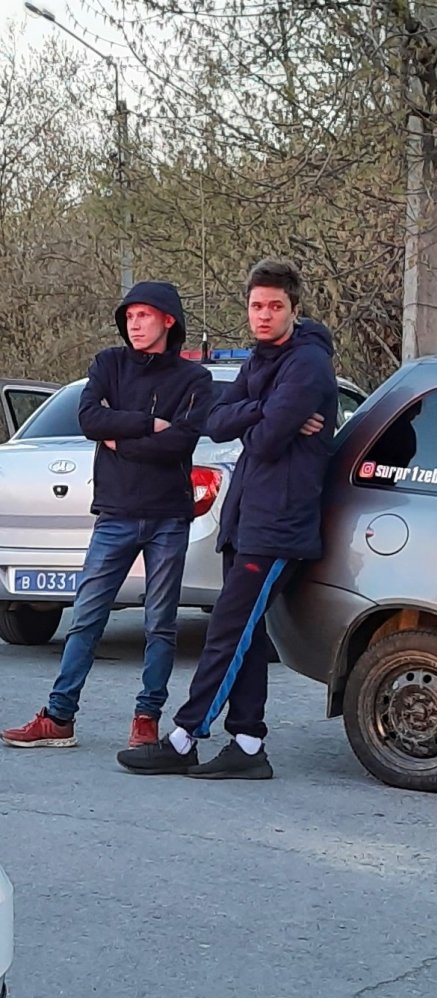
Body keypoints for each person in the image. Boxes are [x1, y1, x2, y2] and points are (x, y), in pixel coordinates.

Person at [117, 259, 337, 781]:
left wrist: (255, 416)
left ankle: (184, 735)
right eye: (256, 306)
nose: (263, 315)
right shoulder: (262, 361)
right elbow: (216, 423)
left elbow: (260, 439)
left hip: (279, 522)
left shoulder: (306, 365)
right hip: (246, 515)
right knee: (247, 635)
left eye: (275, 307)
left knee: (228, 629)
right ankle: (247, 742)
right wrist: (264, 408)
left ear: (294, 310)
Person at [2, 283, 213, 751]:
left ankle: (146, 718)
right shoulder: (108, 365)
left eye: (144, 315)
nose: (135, 324)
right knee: (87, 617)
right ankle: (59, 717)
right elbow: (90, 421)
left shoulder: (193, 380)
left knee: (160, 623)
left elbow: (178, 444)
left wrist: (121, 435)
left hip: (167, 517)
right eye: (129, 316)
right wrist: (145, 424)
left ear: (168, 320)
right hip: (115, 514)